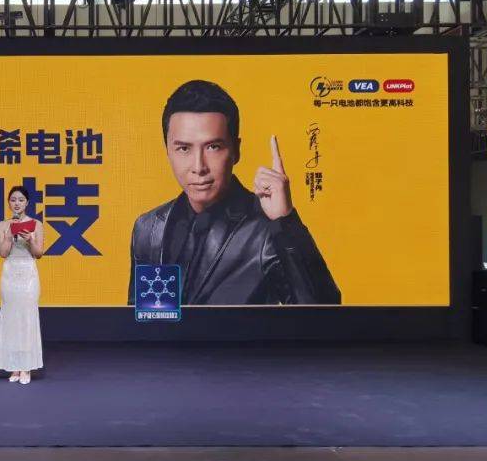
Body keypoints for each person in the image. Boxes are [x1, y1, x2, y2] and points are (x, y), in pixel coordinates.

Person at [129, 79, 340, 306]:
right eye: (184, 148)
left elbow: (324, 312)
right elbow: (146, 318)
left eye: (213, 147)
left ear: (236, 151)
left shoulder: (267, 227)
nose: (198, 167)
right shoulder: (149, 228)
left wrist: (285, 221)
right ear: (168, 151)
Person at [0, 185, 44, 384]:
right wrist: (8, 236)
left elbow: (39, 253)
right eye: (13, 200)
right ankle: (14, 366)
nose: (17, 203)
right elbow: (3, 253)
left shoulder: (36, 224)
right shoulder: (2, 225)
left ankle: (26, 367)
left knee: (27, 318)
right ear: (9, 202)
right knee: (11, 319)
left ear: (27, 203)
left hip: (28, 274)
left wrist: (30, 239)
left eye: (21, 200)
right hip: (10, 274)